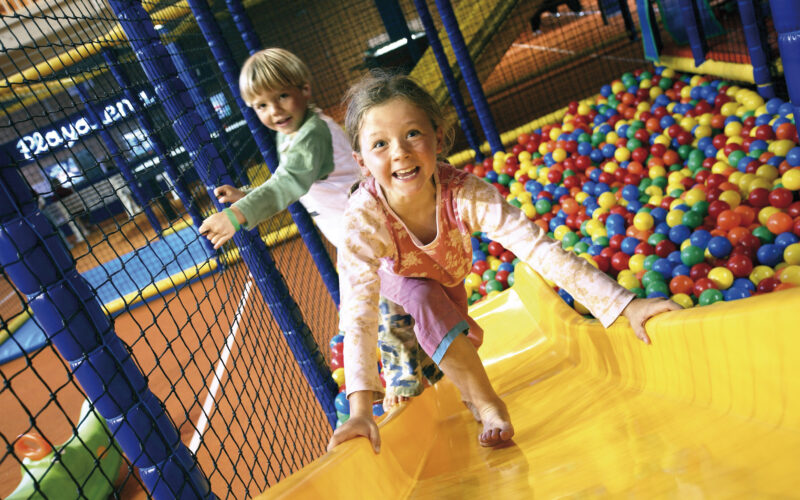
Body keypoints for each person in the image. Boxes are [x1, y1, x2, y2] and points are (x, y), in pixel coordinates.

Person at [327, 71, 680, 453]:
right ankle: (487, 402)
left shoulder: (464, 194)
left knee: (453, 338)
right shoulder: (363, 220)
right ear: (361, 162)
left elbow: (537, 248)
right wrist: (360, 407)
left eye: (413, 134)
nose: (400, 152)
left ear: (438, 137)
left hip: (446, 273)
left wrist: (624, 304)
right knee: (419, 322)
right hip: (393, 280)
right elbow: (358, 311)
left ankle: (465, 391)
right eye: (380, 144)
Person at [197, 48, 452, 410]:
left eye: (282, 96)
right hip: (363, 234)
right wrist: (250, 194)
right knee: (385, 301)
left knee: (381, 305)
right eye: (262, 106)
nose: (275, 111)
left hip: (374, 232)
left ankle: (403, 382)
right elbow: (291, 179)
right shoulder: (295, 132)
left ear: (304, 89)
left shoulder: (312, 134)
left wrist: (238, 213)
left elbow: (289, 182)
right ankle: (435, 366)